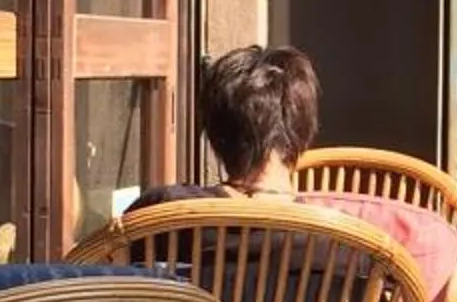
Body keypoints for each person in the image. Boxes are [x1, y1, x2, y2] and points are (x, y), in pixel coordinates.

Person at [132, 44, 320, 209]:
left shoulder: (160, 212)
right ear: (303, 136)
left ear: (215, 136)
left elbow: (109, 246)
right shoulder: (335, 239)